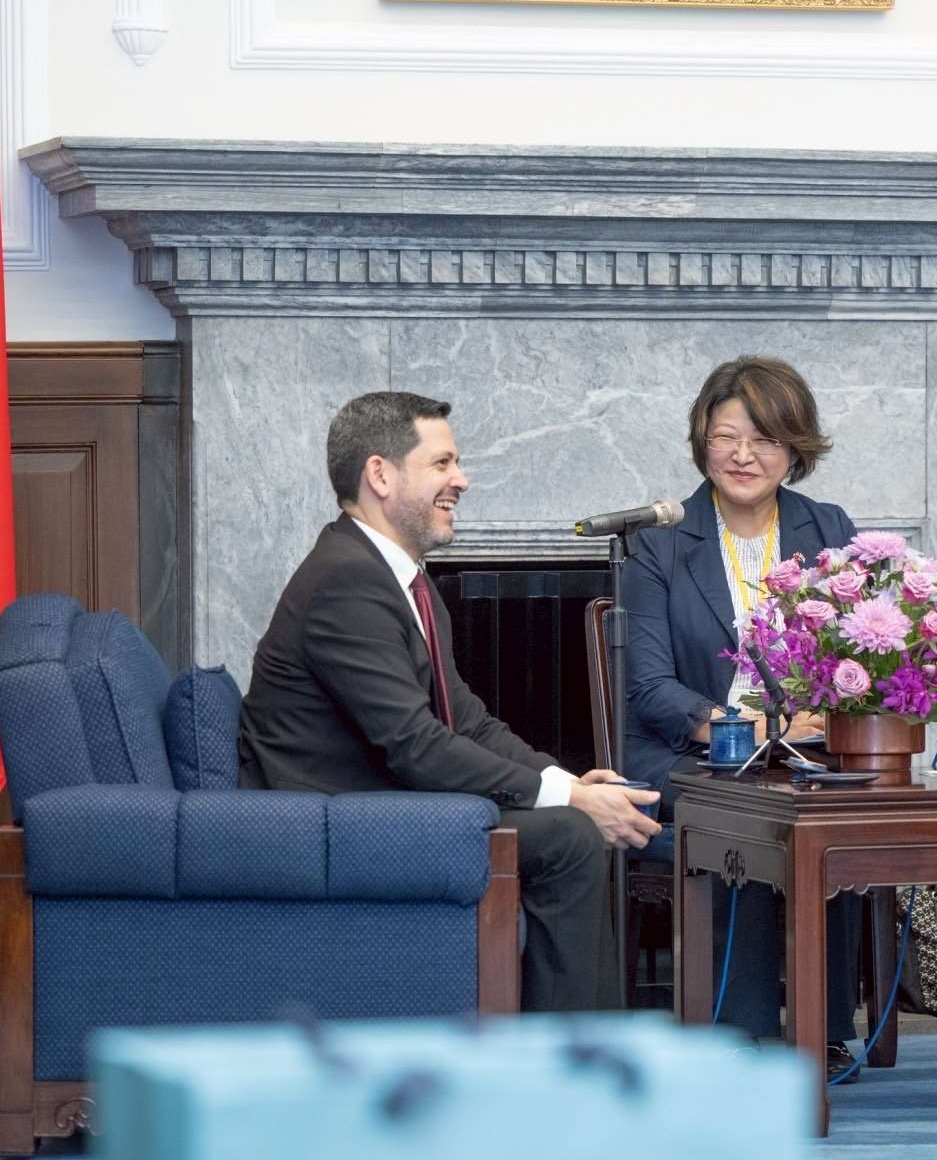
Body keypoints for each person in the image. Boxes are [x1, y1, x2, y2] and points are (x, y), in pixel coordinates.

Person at [237, 391, 660, 1012]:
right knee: (569, 836)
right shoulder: (346, 582)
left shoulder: (402, 576)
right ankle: (567, 1068)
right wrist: (571, 800)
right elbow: (414, 746)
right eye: (442, 464)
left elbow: (465, 720)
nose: (461, 480)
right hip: (331, 825)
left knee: (572, 825)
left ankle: (584, 1055)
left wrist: (565, 779)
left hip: (376, 805)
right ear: (380, 474)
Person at [622, 356, 865, 1075]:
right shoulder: (661, 541)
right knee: (760, 813)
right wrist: (752, 733)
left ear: (794, 448)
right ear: (703, 440)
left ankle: (822, 1022)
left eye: (763, 439)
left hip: (805, 757)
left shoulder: (829, 528)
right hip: (688, 756)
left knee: (839, 809)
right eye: (727, 435)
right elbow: (649, 686)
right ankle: (743, 1027)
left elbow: (859, 649)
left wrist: (821, 717)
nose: (742, 455)